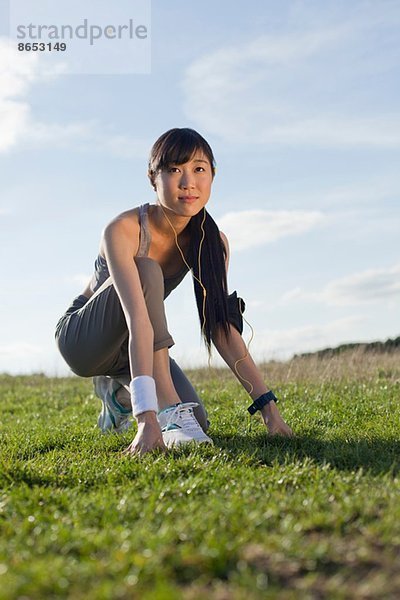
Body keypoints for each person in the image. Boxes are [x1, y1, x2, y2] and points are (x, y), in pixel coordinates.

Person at [55, 127, 292, 456]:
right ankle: (141, 407)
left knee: (195, 419)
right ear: (153, 178)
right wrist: (147, 420)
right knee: (147, 268)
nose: (188, 182)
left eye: (199, 169)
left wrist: (269, 411)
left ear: (212, 175)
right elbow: (138, 320)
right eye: (174, 170)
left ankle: (118, 397)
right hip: (85, 341)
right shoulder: (123, 229)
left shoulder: (212, 242)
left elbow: (222, 329)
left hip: (133, 346)